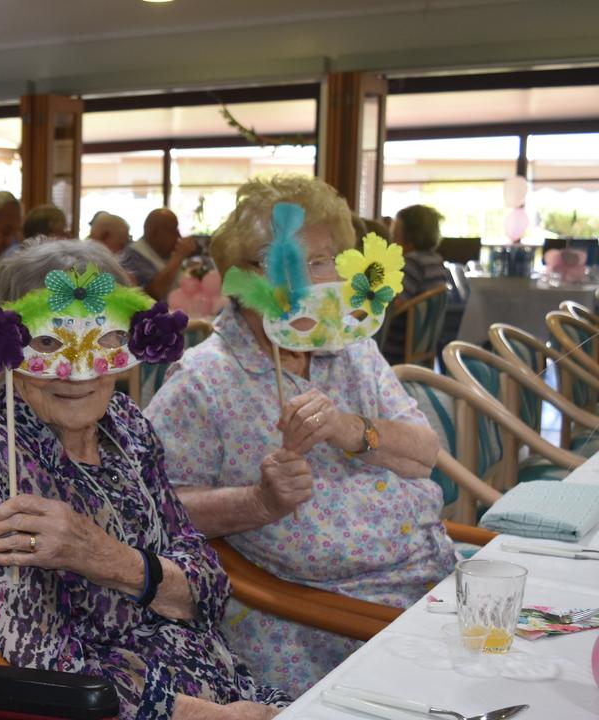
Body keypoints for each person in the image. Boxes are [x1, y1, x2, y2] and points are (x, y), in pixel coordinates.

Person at [0, 239, 288, 720]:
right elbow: (37, 659)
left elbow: (207, 589)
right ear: (6, 345)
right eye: (47, 343)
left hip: (222, 682)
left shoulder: (126, 423)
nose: (78, 372)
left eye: (102, 340)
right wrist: (202, 713)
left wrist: (103, 557)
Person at [144, 175, 451, 695]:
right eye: (290, 263)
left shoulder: (352, 348)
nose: (312, 282)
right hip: (322, 621)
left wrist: (352, 429)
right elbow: (159, 507)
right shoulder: (203, 379)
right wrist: (259, 502)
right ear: (242, 278)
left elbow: (425, 456)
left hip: (431, 579)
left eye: (323, 261)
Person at [381, 204, 448, 364]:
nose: (392, 238)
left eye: (395, 234)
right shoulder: (436, 261)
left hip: (396, 348)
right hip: (421, 345)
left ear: (409, 238)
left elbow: (393, 305)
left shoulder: (412, 263)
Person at [120, 208, 199, 299]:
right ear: (154, 233)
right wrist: (179, 256)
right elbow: (153, 295)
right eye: (172, 230)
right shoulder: (133, 255)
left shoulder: (163, 252)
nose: (178, 236)